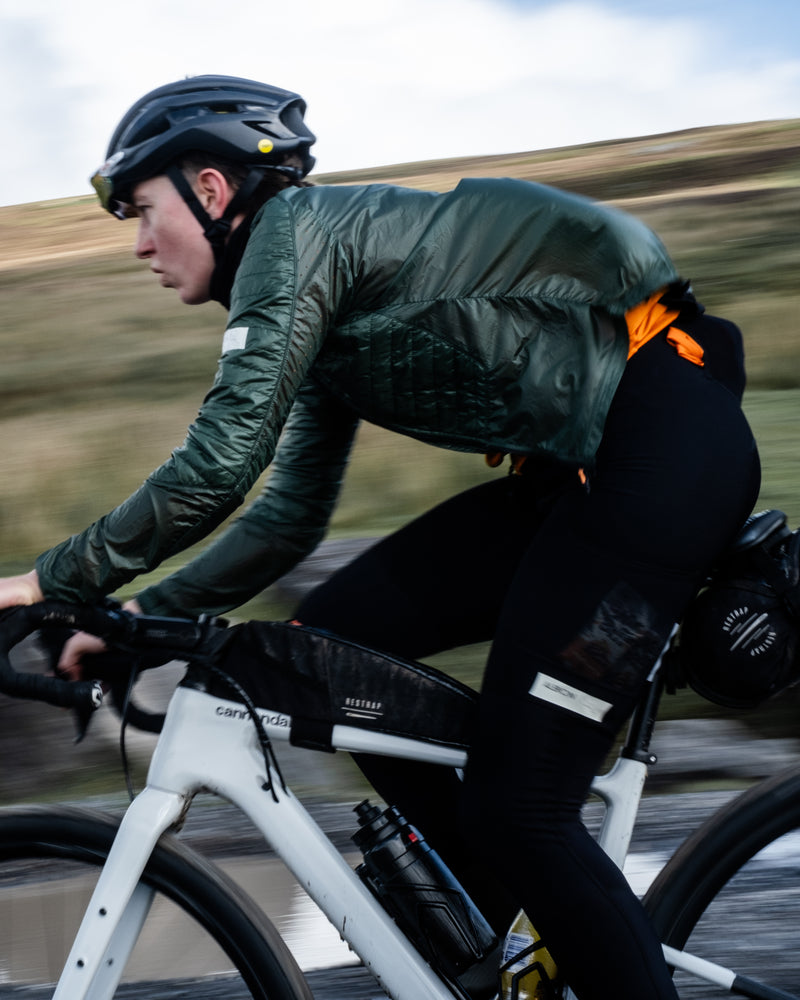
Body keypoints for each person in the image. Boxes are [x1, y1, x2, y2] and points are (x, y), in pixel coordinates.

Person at [0, 75, 760, 999]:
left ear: (209, 191)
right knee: (337, 637)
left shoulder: (294, 240)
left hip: (660, 456)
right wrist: (132, 616)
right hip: (585, 476)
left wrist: (48, 582)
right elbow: (286, 517)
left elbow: (217, 466)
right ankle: (490, 914)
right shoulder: (312, 290)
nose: (138, 244)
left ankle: (523, 861)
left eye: (143, 210)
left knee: (523, 807)